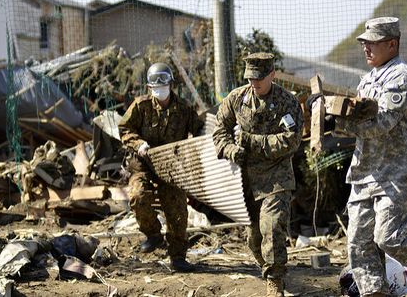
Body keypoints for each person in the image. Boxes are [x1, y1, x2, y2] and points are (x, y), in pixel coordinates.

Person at [307, 17, 407, 296]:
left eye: (373, 43)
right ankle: (375, 292)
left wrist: (335, 123)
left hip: (398, 173)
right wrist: (326, 110)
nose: (366, 48)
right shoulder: (367, 80)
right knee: (359, 244)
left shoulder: (403, 77)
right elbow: (358, 120)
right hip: (365, 172)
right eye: (364, 43)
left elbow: (381, 123)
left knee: (390, 238)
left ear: (392, 44)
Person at [213, 52, 303, 297]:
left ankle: (275, 279)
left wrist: (252, 142)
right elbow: (219, 131)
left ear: (272, 75)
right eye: (250, 78)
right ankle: (266, 266)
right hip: (245, 181)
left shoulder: (287, 102)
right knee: (254, 238)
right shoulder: (237, 99)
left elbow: (291, 141)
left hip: (276, 176)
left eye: (259, 78)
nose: (254, 83)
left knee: (272, 227)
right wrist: (229, 148)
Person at [119, 62, 203, 272]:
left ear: (170, 84)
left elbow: (201, 131)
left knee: (177, 211)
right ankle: (153, 234)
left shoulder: (184, 109)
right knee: (138, 197)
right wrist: (138, 144)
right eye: (154, 86)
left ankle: (178, 257)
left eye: (163, 85)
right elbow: (124, 128)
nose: (159, 90)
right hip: (143, 165)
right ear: (149, 88)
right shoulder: (140, 106)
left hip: (172, 168)